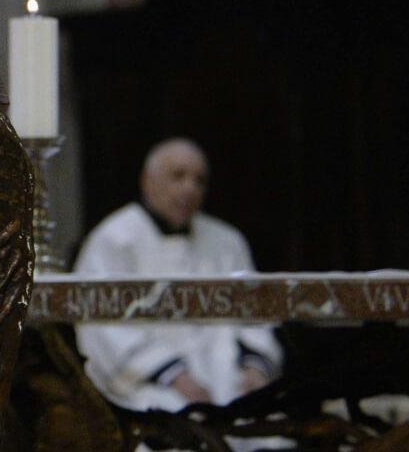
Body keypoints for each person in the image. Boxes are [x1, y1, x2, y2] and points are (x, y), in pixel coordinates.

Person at [73, 137, 282, 412]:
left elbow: (255, 314)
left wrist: (255, 368)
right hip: (151, 386)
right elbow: (103, 326)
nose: (190, 188)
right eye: (178, 176)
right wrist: (173, 375)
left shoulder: (226, 241)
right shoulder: (114, 240)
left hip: (228, 380)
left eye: (199, 180)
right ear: (148, 181)